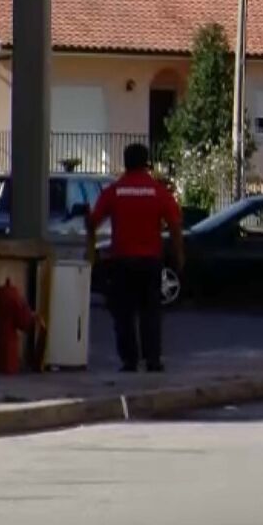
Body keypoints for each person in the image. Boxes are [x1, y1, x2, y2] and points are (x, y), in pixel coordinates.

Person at [86, 143, 183, 372]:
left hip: (122, 261)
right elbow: (175, 226)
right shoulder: (159, 192)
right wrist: (179, 255)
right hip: (150, 261)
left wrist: (90, 246)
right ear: (147, 163)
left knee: (124, 313)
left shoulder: (114, 191)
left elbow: (93, 221)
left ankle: (129, 360)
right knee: (151, 312)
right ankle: (153, 359)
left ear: (126, 162)